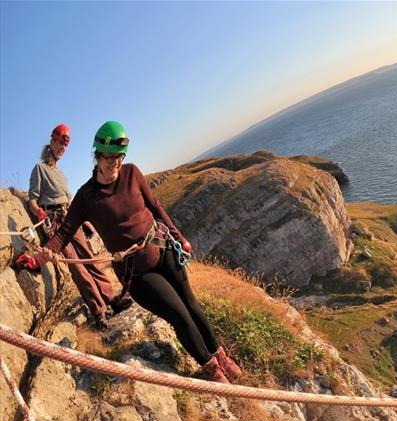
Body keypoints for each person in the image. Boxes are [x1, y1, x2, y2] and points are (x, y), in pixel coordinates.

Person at [16, 121, 242, 384]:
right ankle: (211, 367)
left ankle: (221, 355)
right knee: (179, 314)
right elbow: (64, 233)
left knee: (192, 304)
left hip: (163, 248)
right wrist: (39, 258)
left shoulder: (132, 173)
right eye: (110, 158)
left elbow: (156, 208)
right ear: (98, 156)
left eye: (119, 157)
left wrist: (179, 236)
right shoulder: (86, 196)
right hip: (138, 272)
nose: (115, 164)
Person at [26, 123, 131, 329]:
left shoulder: (62, 175)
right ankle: (98, 312)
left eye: (65, 147)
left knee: (90, 259)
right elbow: (32, 200)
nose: (62, 149)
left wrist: (85, 221)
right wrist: (39, 212)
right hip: (53, 224)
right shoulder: (40, 169)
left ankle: (111, 298)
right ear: (52, 142)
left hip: (70, 218)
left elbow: (72, 202)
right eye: (60, 144)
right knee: (77, 266)